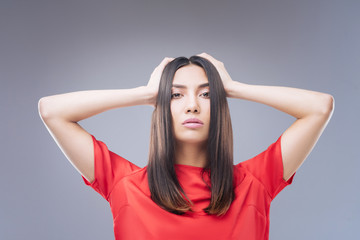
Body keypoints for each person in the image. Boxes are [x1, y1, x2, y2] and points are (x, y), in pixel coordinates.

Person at [38, 53, 334, 240]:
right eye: (176, 96)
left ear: (218, 105)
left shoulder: (254, 182)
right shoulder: (124, 185)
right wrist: (144, 93)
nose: (192, 106)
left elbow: (320, 107)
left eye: (206, 95)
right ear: (160, 107)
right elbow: (52, 111)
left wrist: (231, 88)